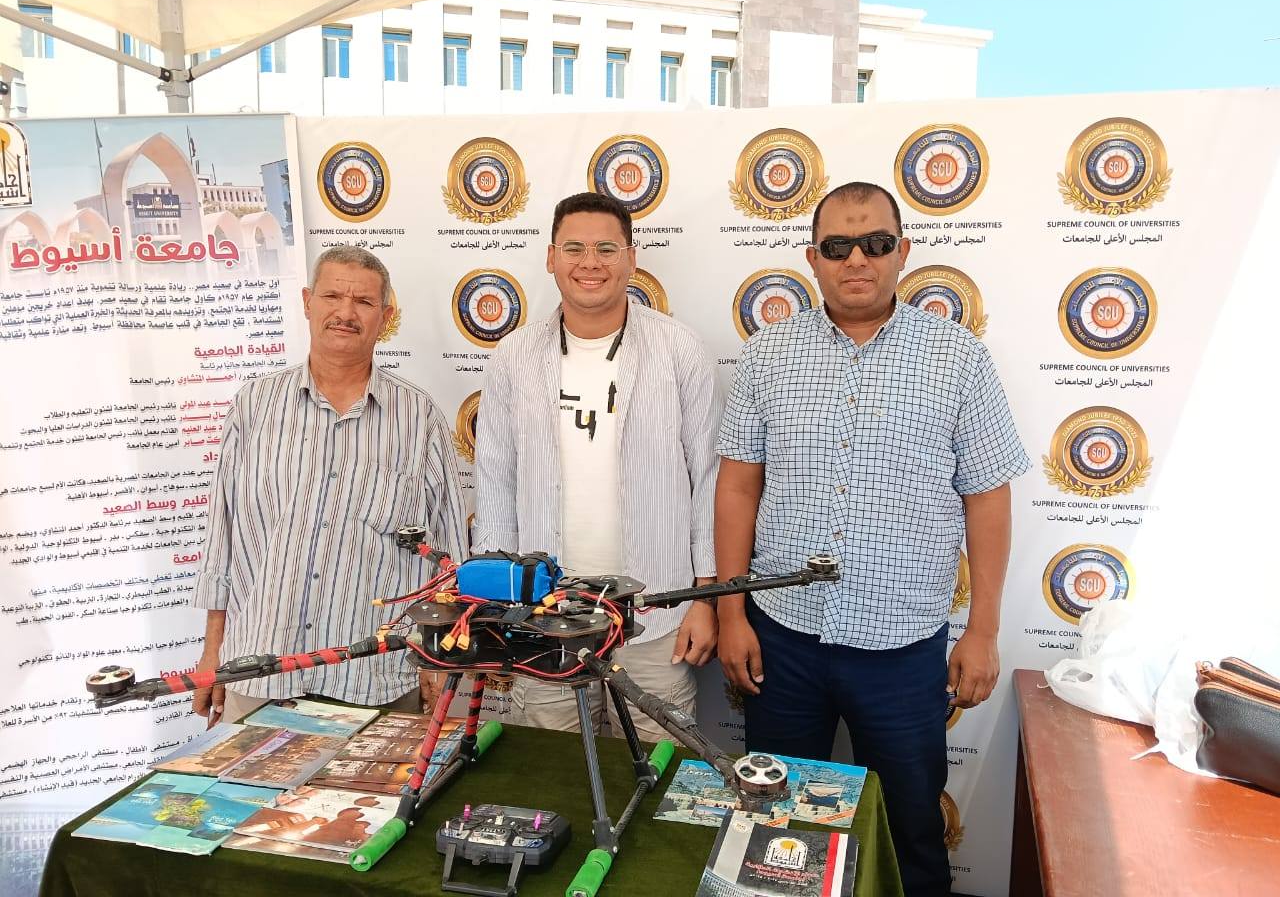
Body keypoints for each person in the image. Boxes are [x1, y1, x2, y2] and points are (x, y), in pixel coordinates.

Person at [714, 182, 1029, 896]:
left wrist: (982, 630)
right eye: (837, 246)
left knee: (910, 827)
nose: (857, 259)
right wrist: (732, 612)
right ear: (812, 258)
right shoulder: (767, 355)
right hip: (783, 639)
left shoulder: (959, 358)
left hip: (903, 650)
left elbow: (987, 498)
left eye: (876, 243)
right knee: (777, 825)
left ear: (902, 251)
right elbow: (736, 488)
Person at [473, 192, 720, 743]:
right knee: (554, 768)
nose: (591, 262)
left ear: (631, 258)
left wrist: (704, 602)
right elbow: (494, 486)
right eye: (574, 248)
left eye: (607, 249)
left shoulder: (679, 349)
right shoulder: (513, 357)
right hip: (543, 617)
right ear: (550, 257)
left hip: (657, 614)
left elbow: (708, 481)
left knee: (658, 769)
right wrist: (497, 603)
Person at [191, 245, 468, 726]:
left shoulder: (417, 417)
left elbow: (448, 554)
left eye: (363, 302)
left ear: (385, 317)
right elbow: (223, 536)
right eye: (332, 296)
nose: (345, 313)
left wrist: (436, 655)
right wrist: (212, 650)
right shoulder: (254, 405)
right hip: (259, 672)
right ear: (307, 302)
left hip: (373, 679)